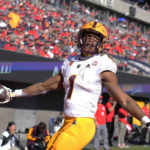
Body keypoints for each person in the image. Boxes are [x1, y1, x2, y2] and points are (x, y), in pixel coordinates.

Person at [1, 21, 150, 150]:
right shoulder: (70, 62)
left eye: (95, 38)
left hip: (83, 123)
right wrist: (14, 93)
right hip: (67, 121)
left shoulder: (103, 63)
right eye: (88, 36)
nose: (90, 41)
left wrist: (146, 121)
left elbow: (123, 99)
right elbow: (44, 86)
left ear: (101, 43)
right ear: (80, 38)